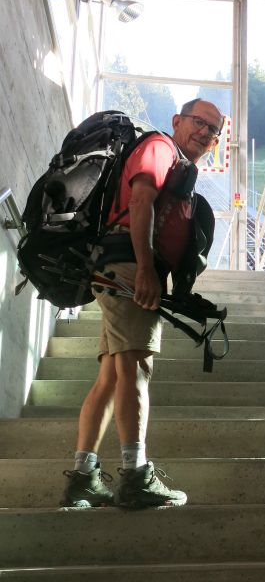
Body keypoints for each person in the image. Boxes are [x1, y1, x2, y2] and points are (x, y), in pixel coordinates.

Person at [60, 98, 224, 510]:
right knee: (136, 366)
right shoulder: (160, 148)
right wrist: (147, 269)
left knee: (112, 377)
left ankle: (83, 478)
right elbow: (140, 203)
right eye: (200, 123)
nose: (206, 134)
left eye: (214, 130)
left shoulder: (178, 162)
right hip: (130, 268)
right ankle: (136, 476)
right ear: (177, 121)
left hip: (121, 268)